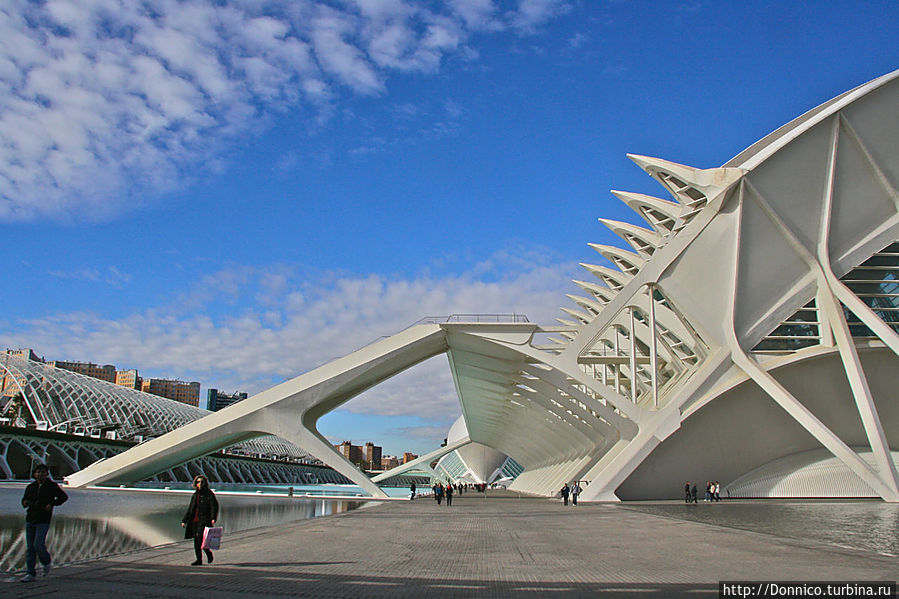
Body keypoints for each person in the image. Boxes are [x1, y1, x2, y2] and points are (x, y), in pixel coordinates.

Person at [20, 464, 68, 582]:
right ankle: (30, 573)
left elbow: (63, 497)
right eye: (38, 472)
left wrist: (52, 504)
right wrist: (25, 502)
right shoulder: (31, 487)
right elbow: (24, 499)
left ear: (47, 474)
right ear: (35, 474)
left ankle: (46, 562)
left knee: (38, 544)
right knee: (30, 548)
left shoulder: (52, 486)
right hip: (30, 518)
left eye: (43, 472)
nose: (40, 474)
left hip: (43, 519)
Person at [181, 475, 219, 566]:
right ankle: (199, 559)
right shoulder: (195, 495)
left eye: (202, 482)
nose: (200, 484)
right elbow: (190, 509)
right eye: (198, 482)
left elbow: (214, 506)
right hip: (194, 520)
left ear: (205, 483)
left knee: (200, 538)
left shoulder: (209, 494)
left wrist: (213, 517)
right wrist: (184, 520)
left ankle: (208, 553)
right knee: (196, 540)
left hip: (204, 519)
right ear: (196, 484)